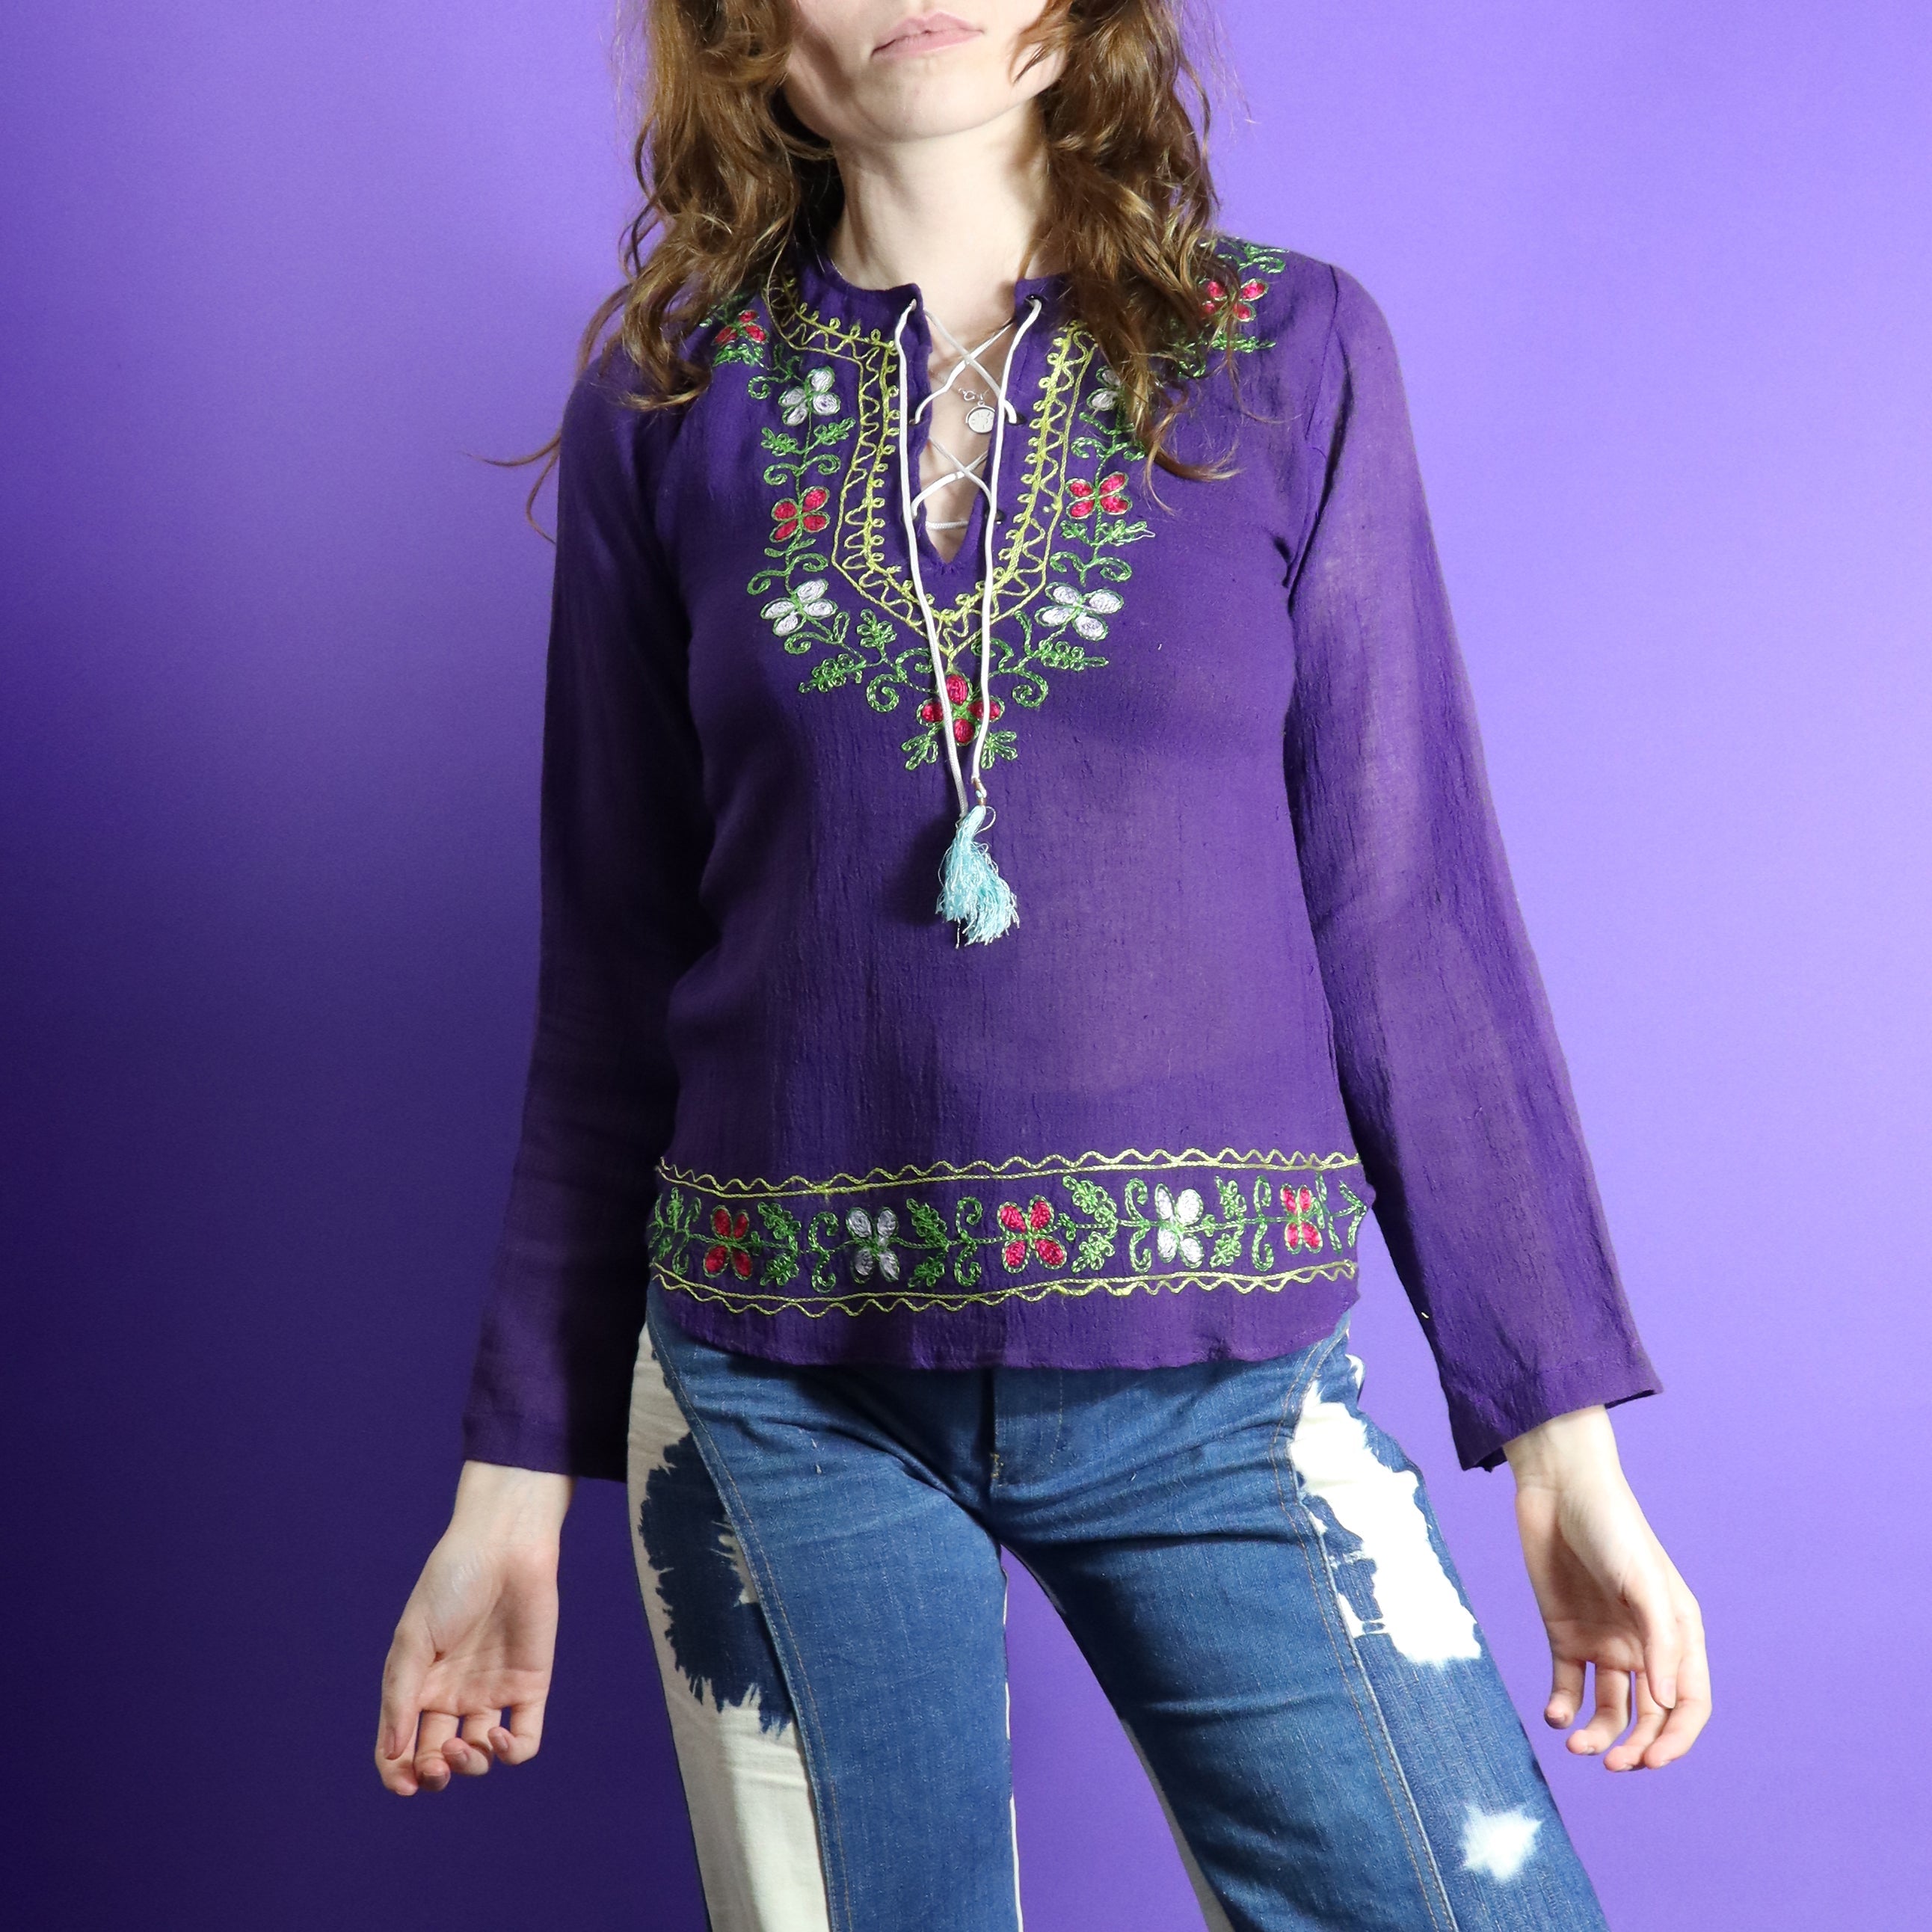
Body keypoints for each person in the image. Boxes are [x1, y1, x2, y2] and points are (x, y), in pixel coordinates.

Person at [375, 3, 1711, 1926]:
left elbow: (1410, 910)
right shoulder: (667, 408)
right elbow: (609, 976)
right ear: (747, 29)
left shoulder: (1286, 351)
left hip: (1219, 1388)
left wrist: (1559, 1447)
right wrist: (512, 1484)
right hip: (778, 1391)